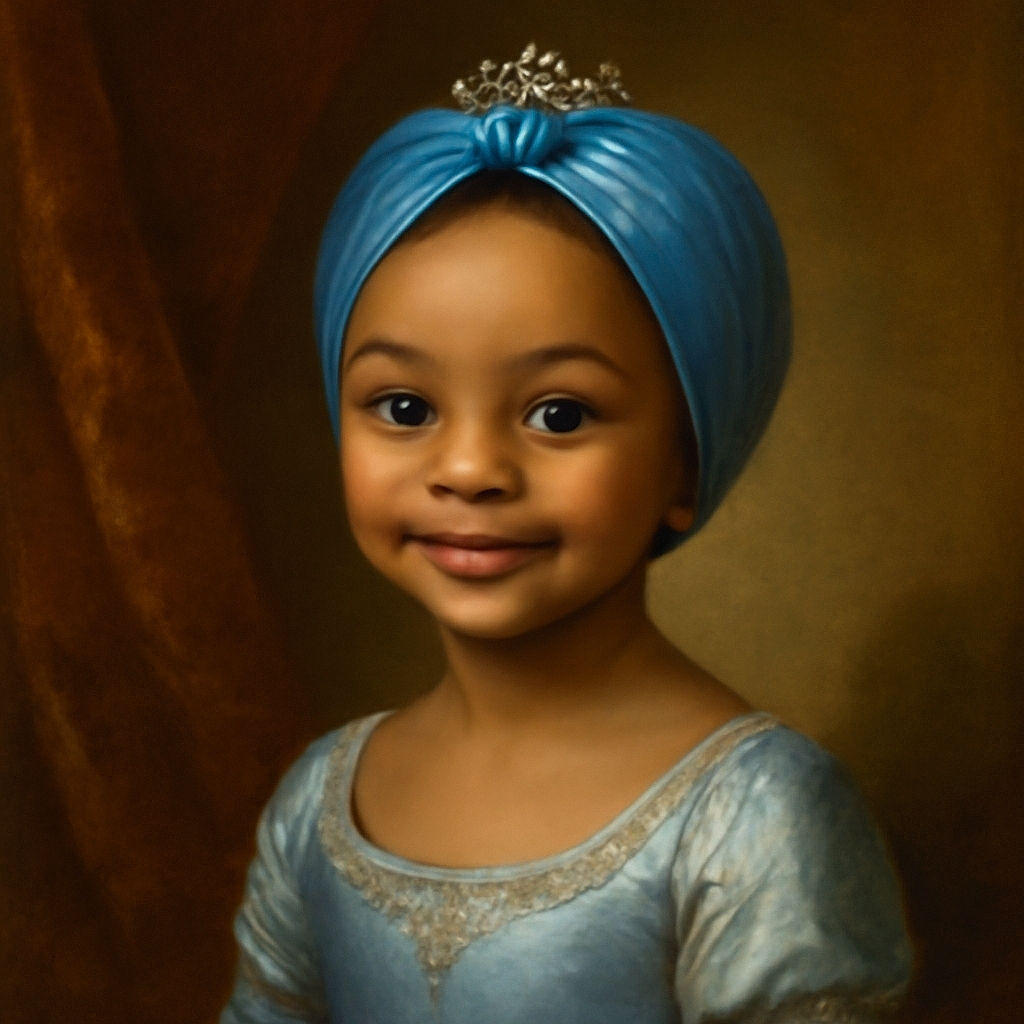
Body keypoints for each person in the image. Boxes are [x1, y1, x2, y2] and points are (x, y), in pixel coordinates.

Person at [221, 45, 912, 1024]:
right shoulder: (318, 801)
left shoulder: (754, 815)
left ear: (683, 461)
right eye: (405, 404)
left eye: (558, 414)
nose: (467, 469)